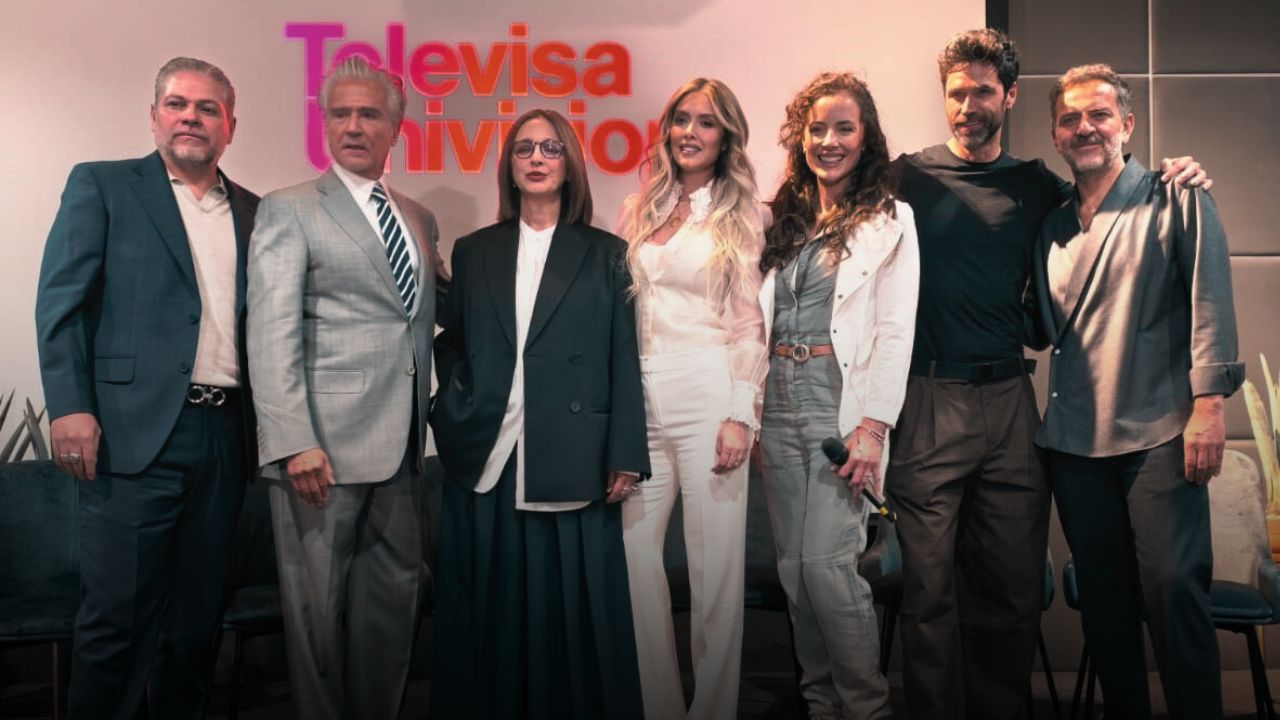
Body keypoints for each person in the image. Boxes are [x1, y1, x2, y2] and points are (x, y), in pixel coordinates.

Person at [885, 29, 1210, 719]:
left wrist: (1177, 174)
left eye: (982, 92)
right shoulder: (905, 178)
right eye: (956, 93)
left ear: (1008, 97)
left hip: (1012, 403)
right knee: (929, 593)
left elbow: (1109, 199)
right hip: (928, 397)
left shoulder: (1041, 190)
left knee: (1009, 591)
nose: (967, 106)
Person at [34, 56, 258, 719]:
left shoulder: (257, 211)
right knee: (117, 623)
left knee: (195, 625)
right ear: (154, 116)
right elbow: (61, 305)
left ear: (230, 125)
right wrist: (71, 406)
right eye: (177, 104)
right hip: (132, 435)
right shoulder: (102, 185)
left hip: (227, 437)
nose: (192, 117)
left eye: (208, 108)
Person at [1033, 63, 1241, 720]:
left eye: (1098, 115)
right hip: (1074, 443)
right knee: (1104, 607)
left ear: (1127, 124)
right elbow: (1039, 324)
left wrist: (1210, 406)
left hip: (1159, 432)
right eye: (1070, 119)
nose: (1084, 128)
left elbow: (1210, 300)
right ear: (1055, 135)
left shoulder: (1177, 195)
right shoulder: (1051, 224)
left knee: (1174, 590)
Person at [429, 108, 650, 719]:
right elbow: (454, 343)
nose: (536, 158)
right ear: (508, 165)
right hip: (489, 456)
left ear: (569, 164)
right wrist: (452, 412)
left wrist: (625, 453)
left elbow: (622, 356)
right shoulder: (475, 250)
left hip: (571, 457)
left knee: (571, 622)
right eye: (524, 148)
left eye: (550, 148)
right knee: (489, 616)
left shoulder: (607, 253)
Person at [246, 56, 441, 720]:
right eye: (341, 114)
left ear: (396, 128)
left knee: (393, 612)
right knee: (317, 623)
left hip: (404, 453)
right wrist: (292, 440)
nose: (354, 126)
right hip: (320, 454)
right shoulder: (289, 208)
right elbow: (270, 331)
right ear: (325, 123)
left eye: (369, 114)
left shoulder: (418, 217)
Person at [757, 71, 919, 720]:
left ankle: (866, 707)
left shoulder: (891, 219)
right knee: (795, 572)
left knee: (828, 568)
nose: (829, 140)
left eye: (843, 128)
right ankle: (822, 705)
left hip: (839, 407)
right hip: (777, 405)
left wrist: (873, 429)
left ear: (865, 136)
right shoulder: (783, 220)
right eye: (817, 128)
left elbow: (896, 330)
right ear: (800, 138)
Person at [616, 77, 768, 720]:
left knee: (715, 574)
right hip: (639, 395)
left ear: (726, 136)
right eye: (682, 119)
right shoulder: (637, 209)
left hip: (709, 389)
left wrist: (740, 413)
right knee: (633, 562)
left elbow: (749, 324)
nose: (690, 132)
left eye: (706, 122)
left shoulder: (745, 214)